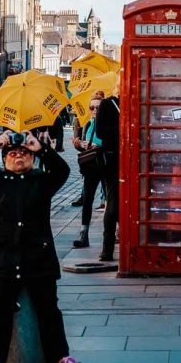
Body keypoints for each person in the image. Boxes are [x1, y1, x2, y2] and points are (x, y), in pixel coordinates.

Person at [0, 129, 84, 363]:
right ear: (4, 158)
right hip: (4, 257)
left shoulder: (41, 181)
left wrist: (41, 147)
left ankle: (62, 360)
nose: (18, 156)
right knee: (0, 311)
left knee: (48, 310)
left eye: (23, 153)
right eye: (12, 153)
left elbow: (63, 171)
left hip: (37, 256)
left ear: (32, 158)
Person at [72, 95, 104, 248]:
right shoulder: (87, 124)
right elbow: (84, 145)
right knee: (87, 199)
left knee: (111, 201)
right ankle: (83, 234)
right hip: (91, 166)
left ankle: (113, 233)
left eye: (98, 107)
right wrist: (79, 145)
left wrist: (98, 147)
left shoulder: (107, 125)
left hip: (105, 165)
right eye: (92, 108)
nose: (95, 111)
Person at [94, 94, 120, 262]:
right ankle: (107, 249)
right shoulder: (108, 104)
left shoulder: (136, 102)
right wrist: (123, 126)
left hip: (136, 159)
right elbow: (100, 131)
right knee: (113, 201)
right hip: (112, 160)